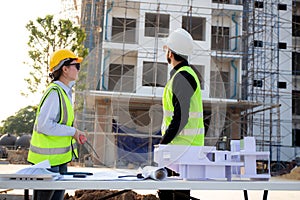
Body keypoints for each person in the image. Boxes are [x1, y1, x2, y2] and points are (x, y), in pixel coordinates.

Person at [27, 49, 87, 200]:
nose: (78, 69)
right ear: (65, 69)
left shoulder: (64, 92)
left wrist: (75, 132)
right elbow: (44, 125)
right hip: (48, 163)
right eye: (76, 66)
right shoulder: (55, 93)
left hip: (58, 161)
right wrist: (72, 131)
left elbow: (60, 124)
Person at [158, 28, 205, 200]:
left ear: (170, 53)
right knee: (175, 193)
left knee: (176, 195)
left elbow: (181, 117)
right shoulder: (183, 75)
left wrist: (164, 143)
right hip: (182, 147)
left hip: (182, 148)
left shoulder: (183, 77)